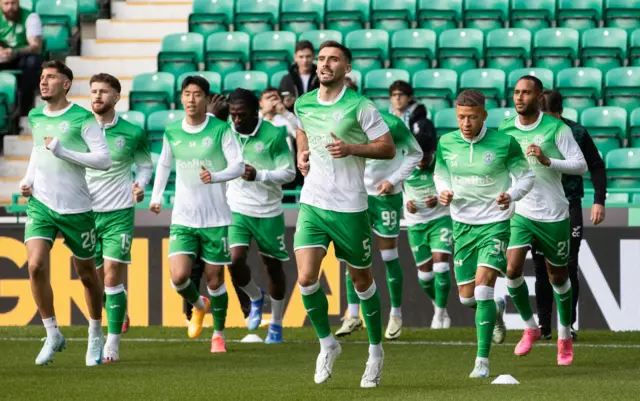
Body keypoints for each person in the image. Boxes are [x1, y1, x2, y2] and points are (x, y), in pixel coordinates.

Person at [294, 40, 395, 388]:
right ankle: (327, 344)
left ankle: (376, 353)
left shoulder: (361, 106)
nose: (324, 64)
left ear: (346, 68)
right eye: (321, 59)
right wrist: (302, 152)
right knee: (306, 278)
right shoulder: (303, 102)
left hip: (351, 206)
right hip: (313, 204)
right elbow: (302, 127)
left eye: (333, 59)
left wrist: (351, 147)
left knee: (362, 282)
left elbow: (387, 147)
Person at [434, 89, 534, 378]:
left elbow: (526, 176)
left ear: (484, 115)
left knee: (483, 288)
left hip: (496, 222)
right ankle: (497, 309)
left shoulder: (504, 143)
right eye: (462, 117)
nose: (466, 123)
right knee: (468, 298)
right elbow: (440, 173)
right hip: (462, 224)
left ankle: (482, 361)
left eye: (472, 117)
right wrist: (443, 191)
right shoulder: (446, 142)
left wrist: (512, 194)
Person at [19, 60, 112, 366]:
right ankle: (52, 333)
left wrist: (65, 152)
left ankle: (95, 332)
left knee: (87, 276)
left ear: (66, 84)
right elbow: (37, 149)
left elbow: (103, 160)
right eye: (42, 77)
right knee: (35, 266)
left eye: (51, 78)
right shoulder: (34, 115)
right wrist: (28, 179)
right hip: (42, 205)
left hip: (76, 209)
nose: (43, 82)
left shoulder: (83, 119)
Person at [149, 75, 244, 353]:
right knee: (179, 278)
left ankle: (219, 334)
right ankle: (199, 305)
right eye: (187, 94)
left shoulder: (220, 129)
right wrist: (156, 198)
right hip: (183, 217)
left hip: (216, 218)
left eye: (198, 94)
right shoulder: (172, 131)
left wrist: (215, 176)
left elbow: (238, 166)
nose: (192, 99)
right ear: (181, 98)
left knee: (215, 279)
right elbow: (165, 165)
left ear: (206, 99)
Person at [498, 76, 587, 366]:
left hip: (553, 213)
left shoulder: (556, 129)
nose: (519, 97)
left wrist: (549, 161)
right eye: (516, 92)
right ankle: (530, 327)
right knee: (511, 270)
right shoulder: (505, 129)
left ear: (539, 98)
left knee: (558, 277)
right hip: (520, 212)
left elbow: (581, 165)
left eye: (526, 93)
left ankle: (564, 335)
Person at [336, 110, 423, 340]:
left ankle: (396, 314)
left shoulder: (393, 124)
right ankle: (353, 315)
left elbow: (416, 153)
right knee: (352, 255)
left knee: (388, 256)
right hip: (357, 195)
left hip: (385, 197)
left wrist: (393, 180)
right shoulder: (347, 123)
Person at [86, 73, 153, 362]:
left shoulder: (133, 132)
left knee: (113, 273)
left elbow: (145, 166)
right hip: (85, 214)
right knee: (97, 281)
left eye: (103, 91)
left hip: (119, 212)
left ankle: (112, 344)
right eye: (93, 91)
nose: (97, 96)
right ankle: (117, 313)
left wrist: (141, 185)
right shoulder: (79, 129)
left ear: (116, 97)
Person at [532, 89, 606, 341]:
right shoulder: (533, 131)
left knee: (569, 264)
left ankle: (568, 324)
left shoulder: (576, 132)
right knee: (541, 266)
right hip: (540, 207)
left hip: (570, 204)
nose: (547, 121)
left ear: (560, 112)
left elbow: (595, 165)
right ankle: (543, 325)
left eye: (550, 115)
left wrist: (598, 200)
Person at [226, 88, 296, 344]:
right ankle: (255, 297)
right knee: (234, 260)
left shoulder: (275, 135)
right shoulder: (227, 133)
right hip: (237, 208)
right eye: (232, 115)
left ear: (255, 111)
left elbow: (289, 174)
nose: (235, 120)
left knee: (273, 268)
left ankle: (276, 323)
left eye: (240, 115)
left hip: (268, 211)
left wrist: (260, 175)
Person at [403, 120, 453, 330]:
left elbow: (454, 187)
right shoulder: (405, 164)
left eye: (426, 157)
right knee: (425, 277)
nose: (422, 162)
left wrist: (440, 196)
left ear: (433, 151)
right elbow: (398, 187)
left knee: (441, 264)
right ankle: (439, 307)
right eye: (419, 157)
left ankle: (439, 317)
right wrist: (408, 204)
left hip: (440, 218)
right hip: (415, 223)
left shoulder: (442, 164)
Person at [0, 0, 42, 114]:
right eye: (6, 4)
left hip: (22, 56)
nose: (10, 7)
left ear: (18, 3)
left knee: (33, 62)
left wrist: (15, 52)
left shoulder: (30, 17)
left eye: (13, 3)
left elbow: (36, 46)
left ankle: (24, 107)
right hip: (3, 56)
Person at [279, 40, 319, 111]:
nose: (305, 60)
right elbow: (282, 103)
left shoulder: (320, 77)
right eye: (301, 57)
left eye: (308, 56)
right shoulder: (287, 79)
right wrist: (286, 104)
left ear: (313, 56)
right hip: (294, 117)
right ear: (295, 57)